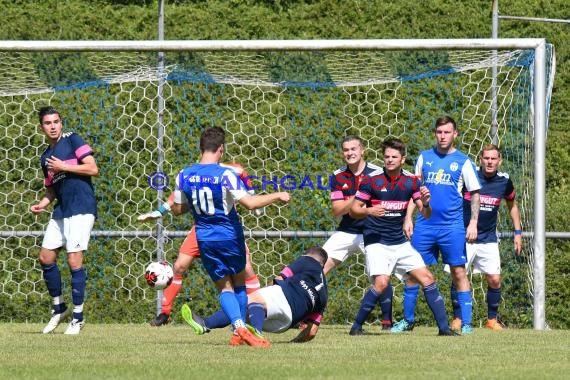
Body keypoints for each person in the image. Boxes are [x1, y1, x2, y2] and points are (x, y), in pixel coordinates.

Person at [170, 126, 290, 347]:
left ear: (201, 148)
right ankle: (241, 328)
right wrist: (277, 195)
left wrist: (194, 205)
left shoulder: (184, 174)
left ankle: (237, 332)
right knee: (240, 285)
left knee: (224, 288)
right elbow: (250, 203)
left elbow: (178, 210)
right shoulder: (226, 175)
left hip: (205, 238)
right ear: (221, 149)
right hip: (230, 236)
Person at [348, 137, 457, 336]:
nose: (389, 160)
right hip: (376, 242)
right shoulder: (372, 180)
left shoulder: (411, 182)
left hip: (399, 243)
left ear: (403, 159)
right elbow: (354, 210)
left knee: (427, 278)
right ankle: (356, 327)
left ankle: (444, 329)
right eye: (387, 156)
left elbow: (426, 214)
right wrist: (369, 211)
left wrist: (426, 202)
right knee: (381, 283)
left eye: (394, 156)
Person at [138, 163, 262, 327]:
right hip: (202, 229)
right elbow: (176, 195)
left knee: (246, 270)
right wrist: (160, 211)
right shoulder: (194, 172)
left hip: (226, 229)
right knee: (179, 267)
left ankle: (256, 313)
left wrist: (253, 197)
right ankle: (165, 313)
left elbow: (245, 176)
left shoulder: (232, 170)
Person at [393, 115, 481, 335]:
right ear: (435, 134)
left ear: (455, 134)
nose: (443, 136)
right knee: (413, 273)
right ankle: (408, 321)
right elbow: (415, 191)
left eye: (447, 132)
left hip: (452, 227)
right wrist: (407, 218)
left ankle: (467, 324)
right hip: (425, 225)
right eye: (439, 132)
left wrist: (473, 222)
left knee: (458, 272)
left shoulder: (463, 161)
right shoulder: (424, 157)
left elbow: (475, 194)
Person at [30, 106, 99, 335]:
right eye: (48, 123)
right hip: (61, 210)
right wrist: (42, 204)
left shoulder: (72, 140)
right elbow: (52, 190)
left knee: (74, 261)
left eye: (56, 122)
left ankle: (78, 317)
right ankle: (59, 307)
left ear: (61, 123)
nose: (53, 126)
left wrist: (64, 166)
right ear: (42, 127)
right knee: (46, 257)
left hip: (81, 207)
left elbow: (92, 168)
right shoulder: (45, 158)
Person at [183, 246, 329, 344]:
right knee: (244, 314)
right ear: (323, 265)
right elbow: (312, 332)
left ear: (308, 255)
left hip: (284, 298)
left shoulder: (308, 260)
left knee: (248, 300)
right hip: (285, 323)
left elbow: (280, 278)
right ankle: (246, 335)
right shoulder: (325, 294)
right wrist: (291, 343)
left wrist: (261, 293)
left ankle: (206, 324)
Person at [446, 144, 523, 331]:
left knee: (495, 279)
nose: (489, 162)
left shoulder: (504, 181)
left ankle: (491, 320)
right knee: (458, 276)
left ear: (499, 161)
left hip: (488, 238)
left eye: (493, 158)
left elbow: (512, 206)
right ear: (480, 160)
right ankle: (457, 318)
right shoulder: (468, 177)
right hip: (463, 237)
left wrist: (518, 232)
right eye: (486, 158)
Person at [323, 135, 393, 331]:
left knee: (381, 275)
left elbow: (385, 203)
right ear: (342, 153)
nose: (350, 153)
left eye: (354, 149)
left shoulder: (379, 173)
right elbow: (337, 210)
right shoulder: (338, 176)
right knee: (318, 267)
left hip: (372, 230)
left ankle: (387, 321)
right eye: (346, 150)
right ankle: (308, 313)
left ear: (362, 150)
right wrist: (358, 196)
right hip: (346, 231)